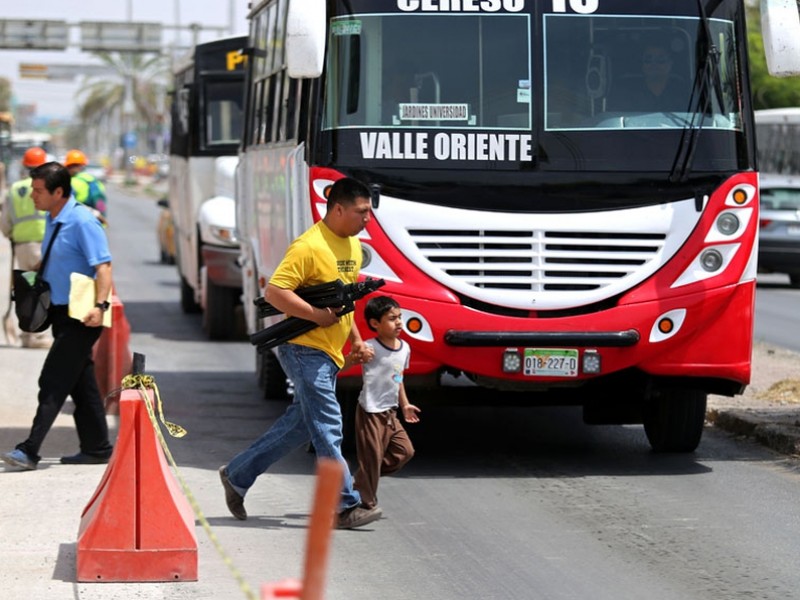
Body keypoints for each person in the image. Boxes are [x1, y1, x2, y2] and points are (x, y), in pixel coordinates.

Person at [218, 177, 382, 529]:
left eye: (368, 211)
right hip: (305, 350)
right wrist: (315, 316)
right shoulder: (308, 246)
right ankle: (344, 504)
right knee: (328, 425)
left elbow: (344, 301)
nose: (367, 218)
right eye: (361, 212)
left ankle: (237, 475)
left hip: (329, 351)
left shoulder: (352, 244)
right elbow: (277, 292)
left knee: (299, 427)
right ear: (338, 209)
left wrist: (354, 338)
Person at [1, 162, 114, 471]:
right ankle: (98, 447)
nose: (33, 197)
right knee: (81, 383)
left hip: (83, 315)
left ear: (58, 192)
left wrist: (100, 307)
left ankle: (30, 450)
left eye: (39, 191)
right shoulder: (53, 219)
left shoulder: (82, 222)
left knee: (52, 380)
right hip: (61, 313)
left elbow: (103, 266)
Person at [348, 295, 420, 512]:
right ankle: (366, 505)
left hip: (391, 413)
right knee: (372, 457)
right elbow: (347, 364)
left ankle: (357, 482)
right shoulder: (369, 347)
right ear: (375, 324)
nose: (398, 322)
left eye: (400, 317)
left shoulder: (404, 348)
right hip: (370, 411)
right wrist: (355, 356)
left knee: (404, 451)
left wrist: (405, 404)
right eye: (391, 318)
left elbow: (398, 378)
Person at [0, 147, 52, 348]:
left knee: (26, 289)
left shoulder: (15, 189)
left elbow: (5, 222)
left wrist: (11, 235)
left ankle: (27, 335)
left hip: (23, 247)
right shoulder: (47, 187)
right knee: (42, 290)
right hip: (44, 244)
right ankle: (38, 336)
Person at [608, 41, 690, 113]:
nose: (654, 65)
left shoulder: (684, 92)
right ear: (642, 65)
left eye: (660, 60)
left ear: (670, 64)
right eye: (648, 60)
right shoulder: (625, 92)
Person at [64, 149, 108, 223]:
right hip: (98, 221)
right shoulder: (93, 180)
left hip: (80, 222)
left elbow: (67, 205)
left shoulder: (72, 182)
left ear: (70, 166)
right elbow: (101, 201)